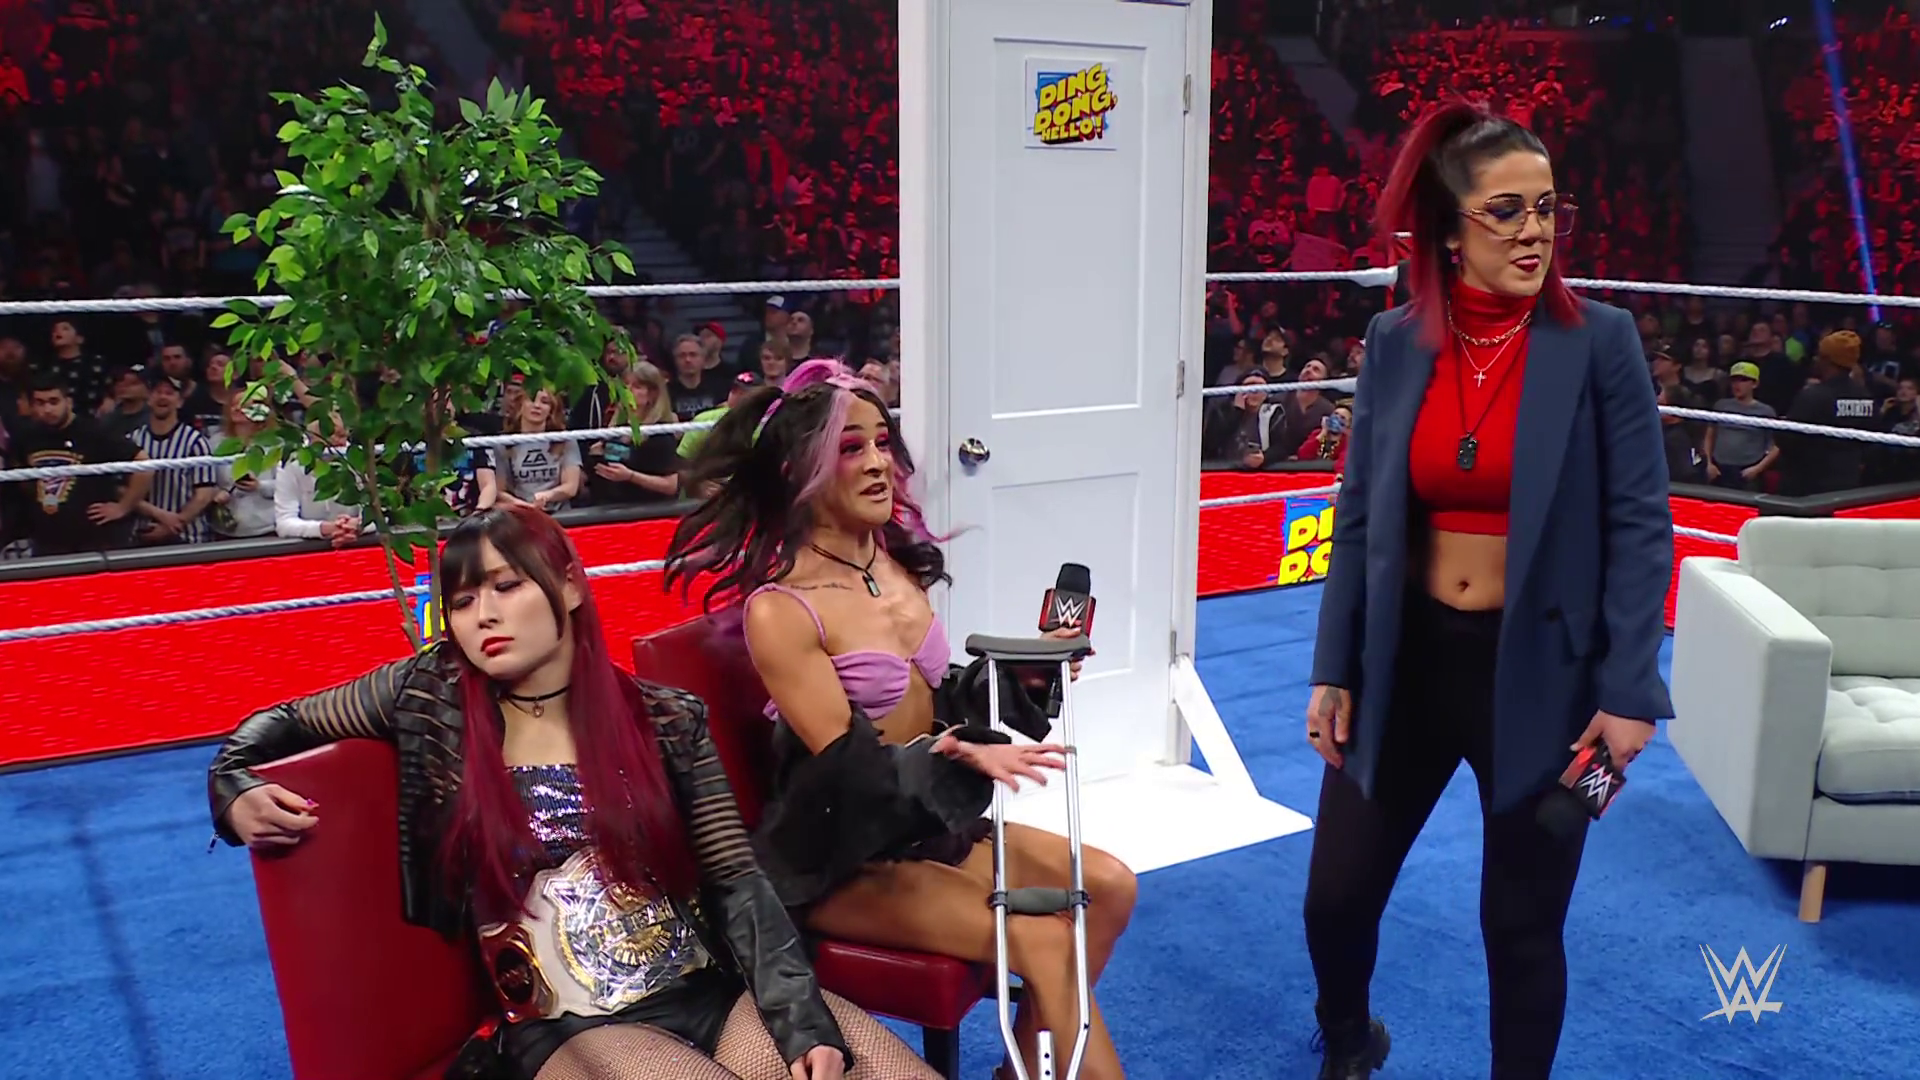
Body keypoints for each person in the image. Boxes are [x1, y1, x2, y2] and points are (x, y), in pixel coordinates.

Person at [207, 505, 940, 1080]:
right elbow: (274, 726)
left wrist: (800, 1022)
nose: (483, 616)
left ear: (567, 586)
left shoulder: (666, 719)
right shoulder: (429, 695)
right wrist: (231, 788)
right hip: (564, 1027)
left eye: (506, 586)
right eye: (462, 600)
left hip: (704, 991)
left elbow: (736, 882)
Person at [1302, 101, 1673, 1080]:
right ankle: (1349, 1041)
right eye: (1506, 211)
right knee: (1334, 898)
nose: (1534, 231)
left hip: (1543, 674)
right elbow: (1360, 517)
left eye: (1547, 208)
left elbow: (1642, 524)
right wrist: (1334, 666)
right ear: (1449, 231)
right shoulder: (1395, 341)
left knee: (1520, 925)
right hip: (1408, 662)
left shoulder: (1600, 342)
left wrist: (1630, 690)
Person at [663, 360, 1139, 1080]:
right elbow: (846, 769)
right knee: (1044, 940)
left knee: (1112, 884)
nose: (878, 463)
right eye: (850, 448)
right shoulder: (782, 609)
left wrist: (1027, 673)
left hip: (926, 828)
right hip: (842, 858)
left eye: (882, 443)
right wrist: (959, 755)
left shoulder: (892, 566)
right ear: (798, 471)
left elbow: (935, 695)